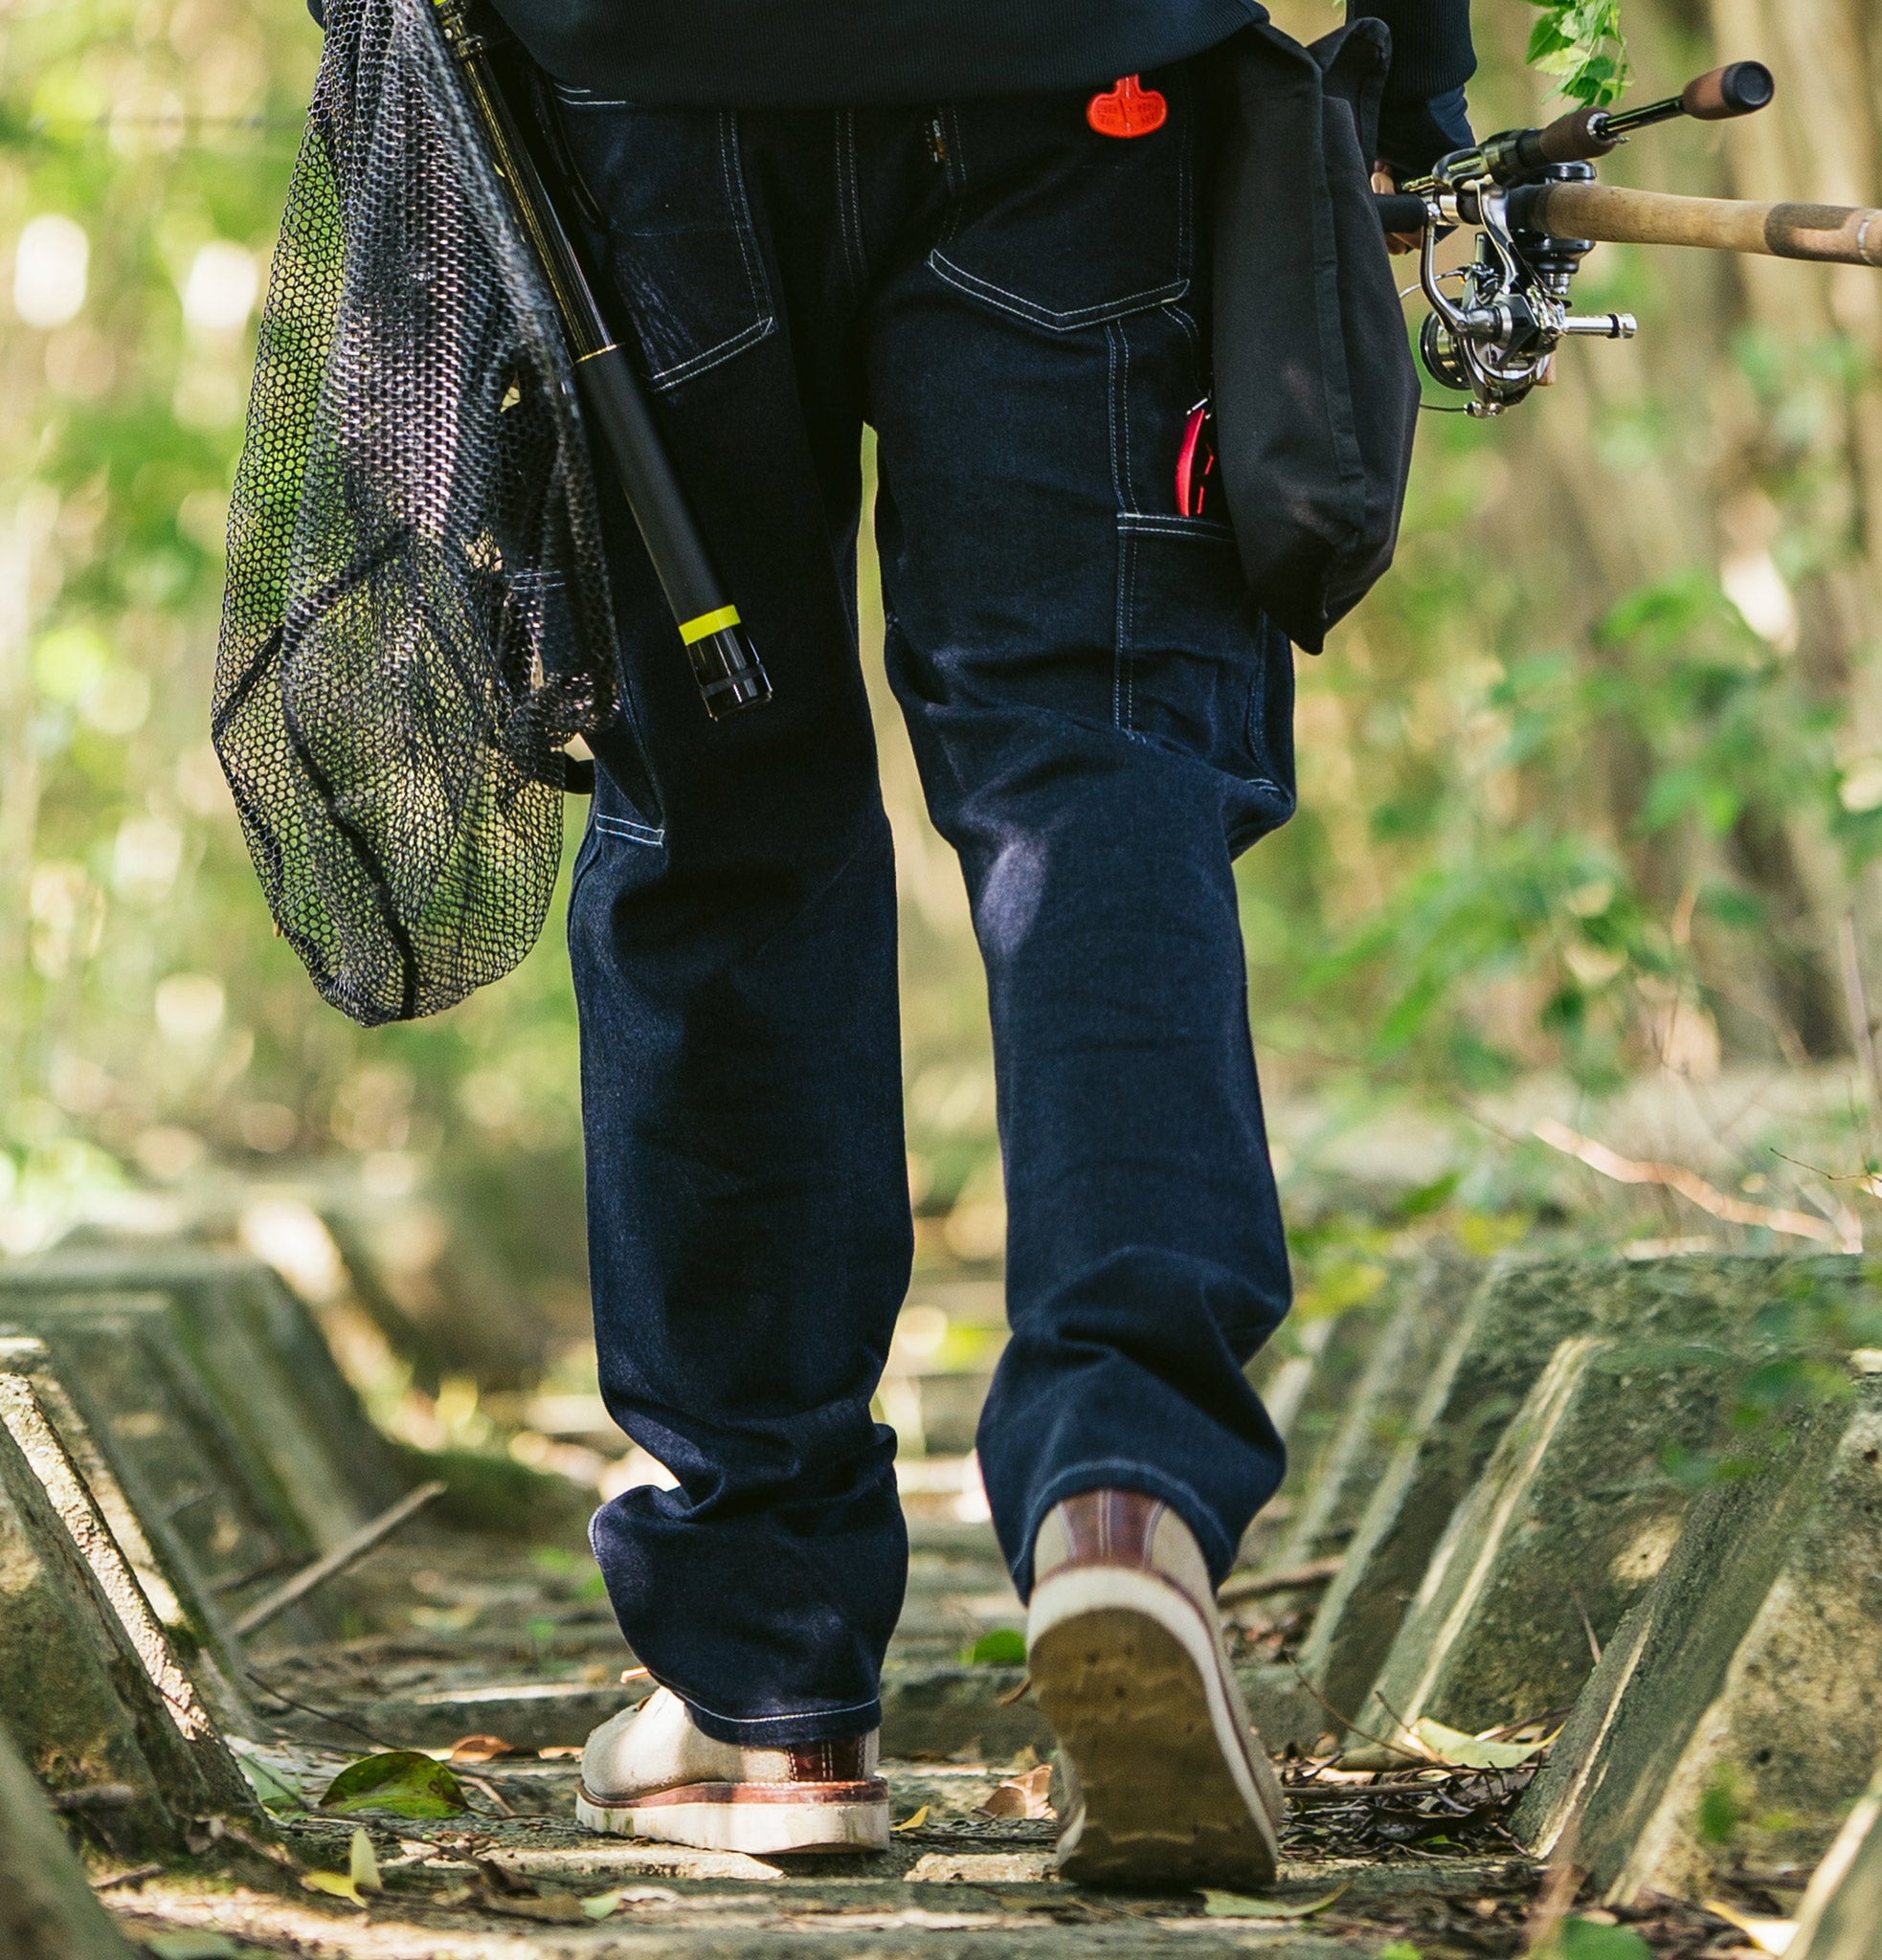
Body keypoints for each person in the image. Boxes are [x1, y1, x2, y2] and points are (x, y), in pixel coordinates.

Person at [466, 0, 1470, 1888]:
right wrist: (1414, 81)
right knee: (1093, 771)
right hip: (1075, 86)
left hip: (643, 112)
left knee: (721, 823)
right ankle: (1124, 1508)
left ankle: (772, 1697)